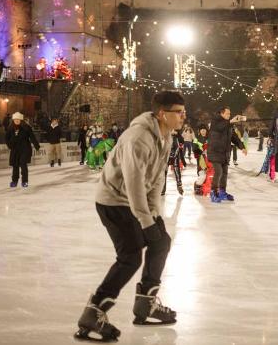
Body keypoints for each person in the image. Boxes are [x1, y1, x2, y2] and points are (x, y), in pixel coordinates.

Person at [74, 91, 183, 341]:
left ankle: (146, 303)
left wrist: (155, 216)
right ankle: (93, 312)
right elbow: (133, 185)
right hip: (113, 201)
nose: (182, 117)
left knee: (161, 241)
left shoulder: (166, 137)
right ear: (161, 114)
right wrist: (145, 222)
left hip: (135, 201)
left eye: (182, 112)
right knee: (130, 257)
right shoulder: (138, 139)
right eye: (178, 112)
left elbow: (156, 180)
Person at [207, 107, 247, 202]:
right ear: (222, 113)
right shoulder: (215, 122)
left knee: (224, 173)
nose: (229, 115)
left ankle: (222, 192)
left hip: (225, 153)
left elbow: (234, 137)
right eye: (227, 114)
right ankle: (213, 192)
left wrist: (242, 147)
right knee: (218, 172)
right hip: (215, 152)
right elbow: (220, 128)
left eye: (230, 114)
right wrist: (230, 122)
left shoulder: (229, 125)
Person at [5, 112, 40, 188]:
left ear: (21, 120)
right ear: (13, 120)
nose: (16, 121)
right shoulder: (10, 128)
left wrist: (37, 146)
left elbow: (32, 137)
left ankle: (24, 181)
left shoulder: (26, 127)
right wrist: (10, 145)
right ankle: (14, 181)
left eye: (18, 119)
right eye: (15, 119)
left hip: (25, 149)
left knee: (23, 164)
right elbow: (6, 138)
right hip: (15, 150)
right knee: (15, 165)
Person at [162, 128, 187, 196]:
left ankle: (179, 185)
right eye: (172, 129)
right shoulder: (165, 136)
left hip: (175, 157)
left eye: (175, 130)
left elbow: (180, 150)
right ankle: (162, 189)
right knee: (163, 173)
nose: (173, 131)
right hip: (166, 157)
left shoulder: (179, 138)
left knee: (177, 172)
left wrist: (183, 160)